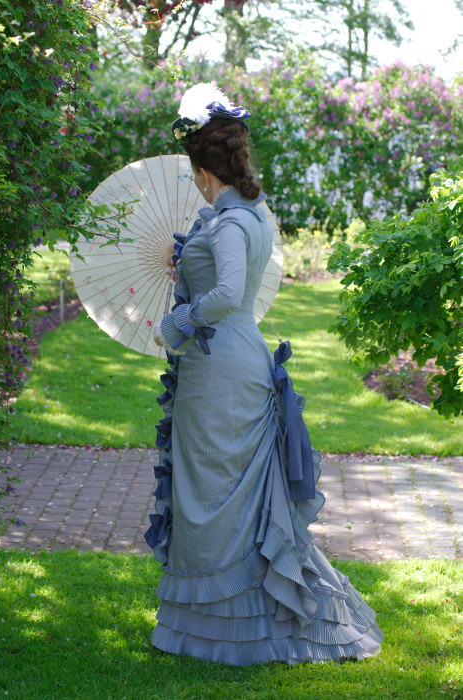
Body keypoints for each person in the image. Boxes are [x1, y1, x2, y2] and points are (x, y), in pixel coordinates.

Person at [145, 82, 384, 666]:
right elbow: (226, 282)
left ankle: (236, 628)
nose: (192, 178)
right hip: (231, 360)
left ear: (204, 168)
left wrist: (179, 320)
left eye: (192, 168)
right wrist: (185, 266)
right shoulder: (244, 215)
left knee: (217, 496)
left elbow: (227, 293)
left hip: (220, 365)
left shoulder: (227, 224)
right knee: (222, 495)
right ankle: (223, 623)